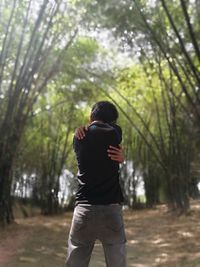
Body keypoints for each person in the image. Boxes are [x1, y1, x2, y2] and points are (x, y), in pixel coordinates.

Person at [66, 101, 127, 267]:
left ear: (91, 116)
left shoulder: (78, 138)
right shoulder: (115, 134)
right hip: (111, 211)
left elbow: (94, 129)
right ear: (112, 122)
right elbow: (112, 130)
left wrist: (84, 126)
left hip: (84, 210)